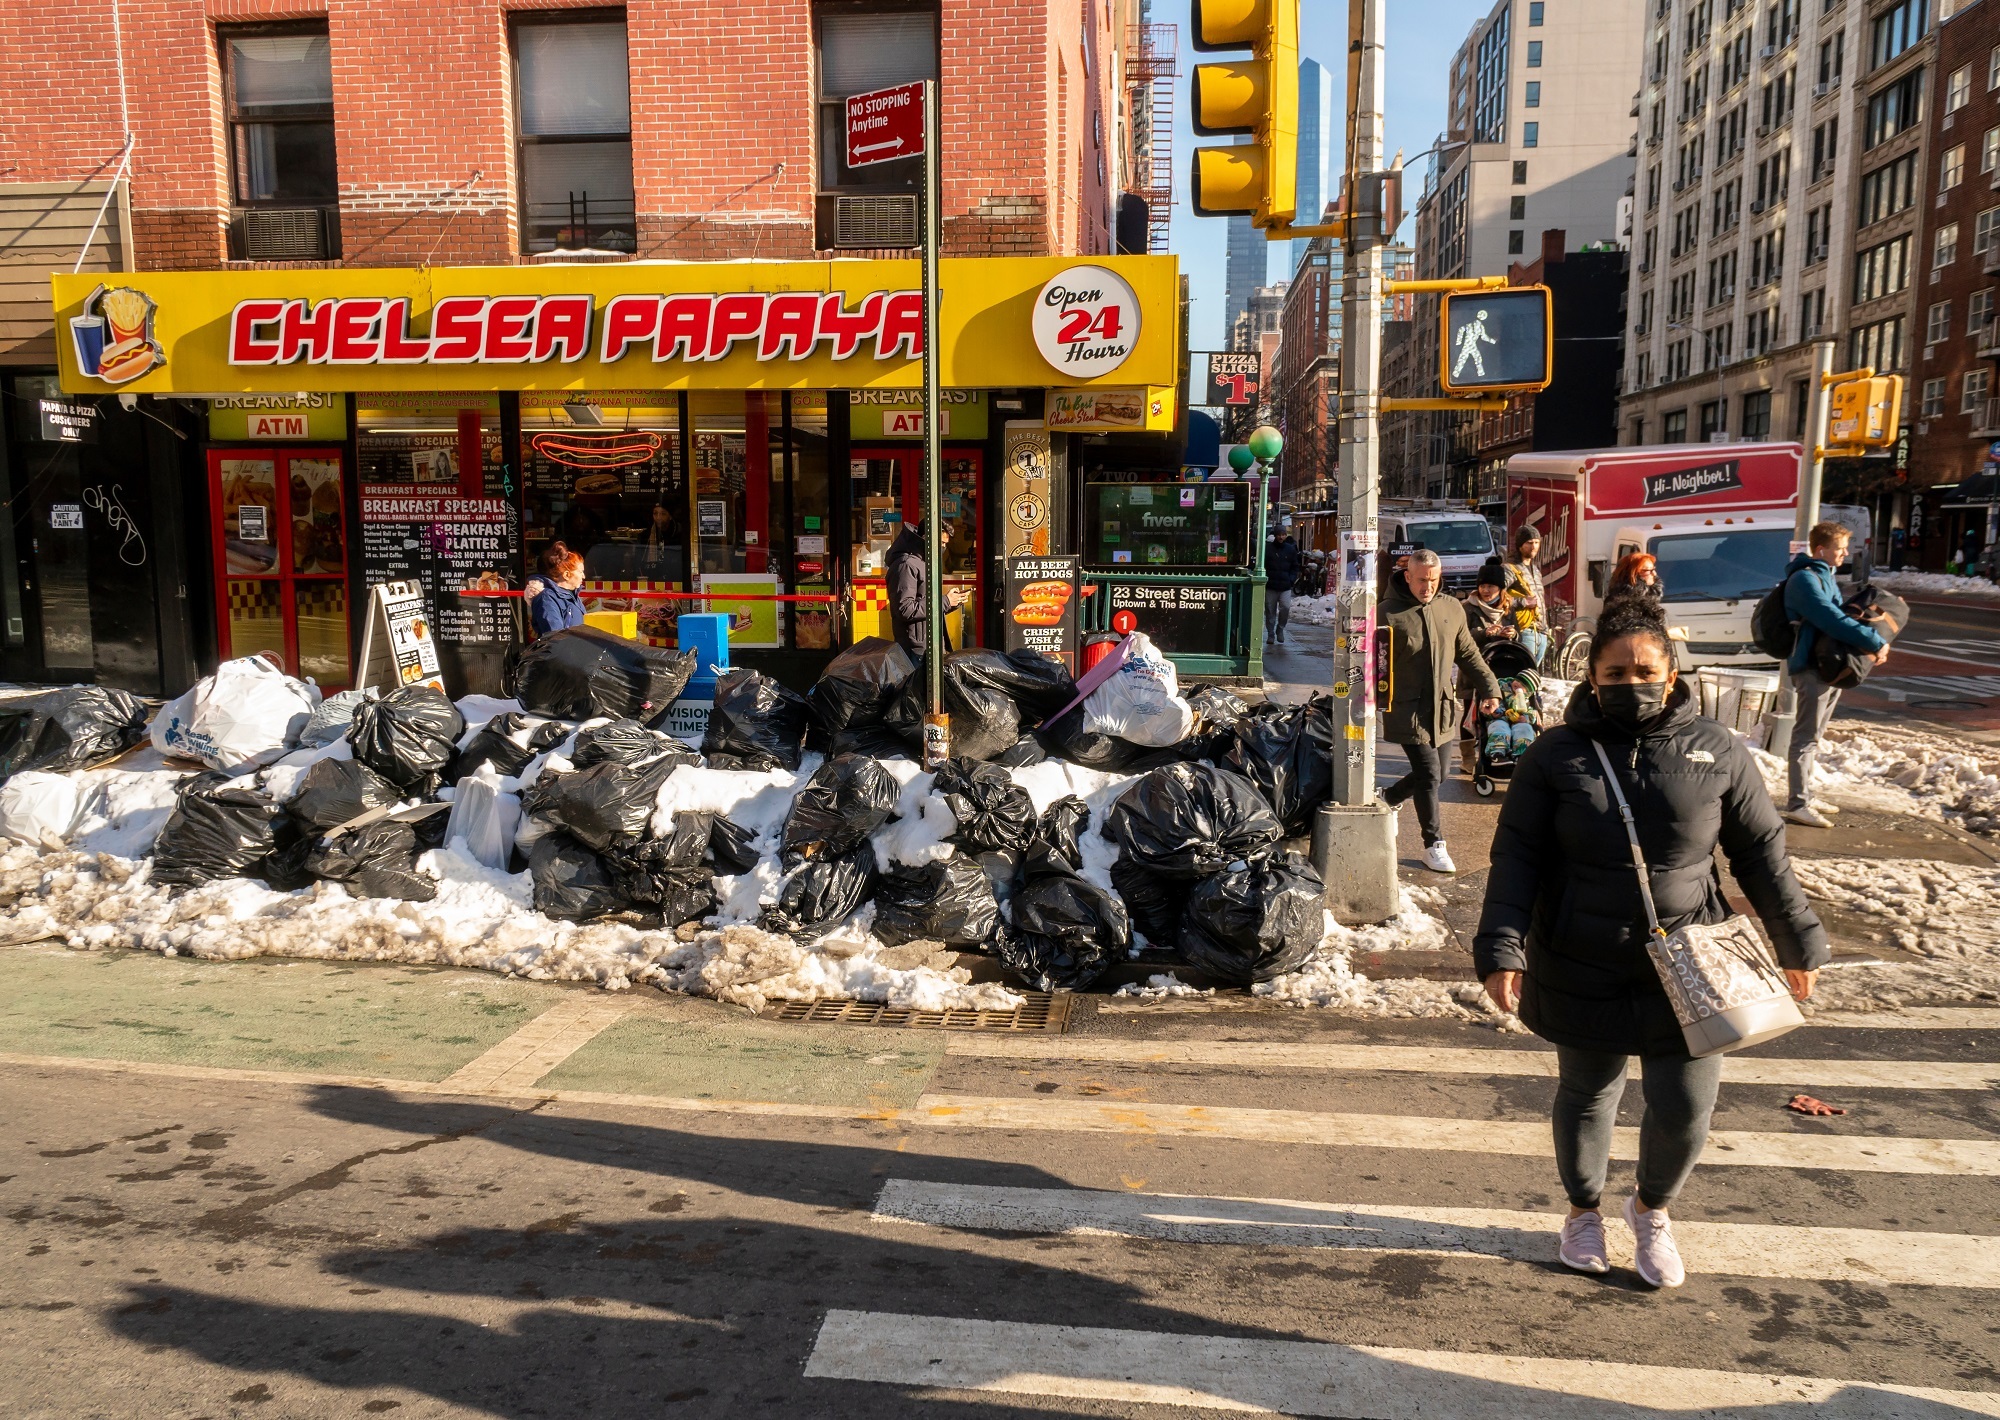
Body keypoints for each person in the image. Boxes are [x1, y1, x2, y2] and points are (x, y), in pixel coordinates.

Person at [1474, 593, 1828, 1289]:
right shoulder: (1557, 754)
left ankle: (1652, 1210)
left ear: (1671, 676)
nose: (1629, 685)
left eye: (1644, 671)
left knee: (1686, 1107)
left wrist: (1797, 941)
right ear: (1591, 680)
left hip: (1691, 960)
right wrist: (1501, 948)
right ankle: (1582, 1210)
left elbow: (1761, 856)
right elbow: (1517, 857)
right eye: (1613, 674)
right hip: (1581, 956)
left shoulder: (1718, 751)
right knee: (1587, 1092)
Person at [1380, 548, 1502, 874]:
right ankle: (1433, 844)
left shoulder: (1451, 609)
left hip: (1443, 708)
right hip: (1407, 709)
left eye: (1434, 580)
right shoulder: (1387, 613)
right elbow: (1370, 666)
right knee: (1430, 773)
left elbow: (1469, 655)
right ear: (1408, 576)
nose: (1428, 587)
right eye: (1421, 580)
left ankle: (1389, 797)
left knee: (1441, 773)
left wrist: (1490, 689)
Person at [1780, 521, 1889, 829]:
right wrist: (1874, 641)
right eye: (1840, 548)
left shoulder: (1824, 575)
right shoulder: (1804, 579)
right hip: (1812, 666)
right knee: (1804, 738)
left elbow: (1838, 616)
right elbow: (1831, 619)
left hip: (1829, 664)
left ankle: (1807, 796)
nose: (1844, 554)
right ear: (1821, 550)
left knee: (1813, 737)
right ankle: (1797, 804)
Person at [886, 515, 967, 663]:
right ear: (926, 539)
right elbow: (905, 609)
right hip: (916, 648)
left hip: (929, 644)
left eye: (945, 544)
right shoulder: (906, 565)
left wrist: (952, 602)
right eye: (941, 543)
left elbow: (926, 604)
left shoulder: (923, 562)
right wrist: (945, 601)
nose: (944, 548)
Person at [1502, 525, 1552, 668]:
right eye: (1529, 543)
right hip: (1524, 631)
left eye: (1536, 542)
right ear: (1520, 545)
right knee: (1523, 675)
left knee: (1532, 677)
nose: (1534, 546)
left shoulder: (1535, 570)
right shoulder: (1509, 568)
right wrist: (1522, 602)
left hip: (1540, 631)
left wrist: (1546, 629)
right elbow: (1496, 596)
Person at [528, 541, 586, 637]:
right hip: (564, 651)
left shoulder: (572, 595)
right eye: (580, 572)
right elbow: (554, 637)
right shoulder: (547, 599)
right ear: (566, 575)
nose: (583, 576)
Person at [1264, 521, 1302, 646]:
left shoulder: (1290, 550)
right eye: (1279, 534)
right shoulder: (1268, 549)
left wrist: (1291, 579)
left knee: (1285, 607)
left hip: (1285, 585)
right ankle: (1270, 633)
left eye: (1283, 534)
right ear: (1275, 535)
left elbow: (1295, 566)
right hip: (1271, 585)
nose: (1281, 537)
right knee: (1270, 610)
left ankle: (1280, 628)